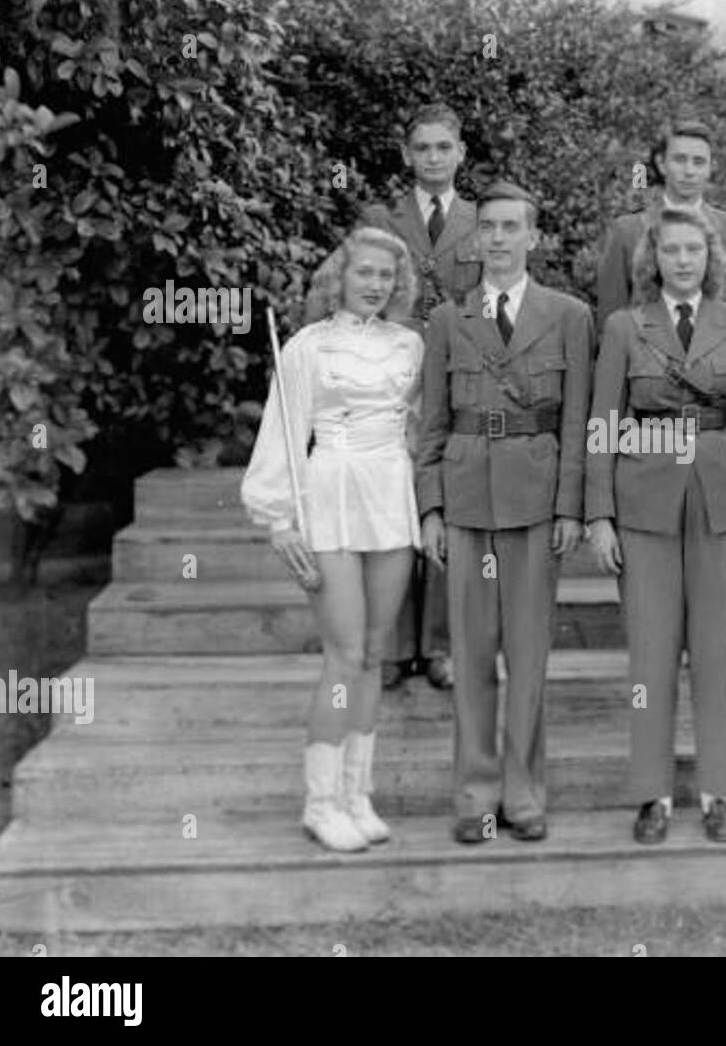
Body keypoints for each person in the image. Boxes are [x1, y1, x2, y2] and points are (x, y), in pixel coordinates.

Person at [586, 208, 726, 845]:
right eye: (670, 250)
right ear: (652, 259)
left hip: (724, 491)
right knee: (651, 652)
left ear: (713, 258)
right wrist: (599, 515)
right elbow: (603, 424)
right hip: (644, 499)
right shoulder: (623, 327)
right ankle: (655, 795)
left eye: (694, 249)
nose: (683, 260)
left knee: (716, 651)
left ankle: (718, 792)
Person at [417, 181, 594, 845]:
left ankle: (523, 791)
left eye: (510, 226)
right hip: (465, 502)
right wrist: (430, 507)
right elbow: (431, 424)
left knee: (528, 655)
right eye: (486, 227)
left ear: (533, 236)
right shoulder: (446, 320)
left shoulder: (569, 314)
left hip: (535, 500)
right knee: (471, 652)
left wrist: (572, 505)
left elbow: (577, 422)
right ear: (475, 237)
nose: (496, 238)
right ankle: (475, 793)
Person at [241, 226, 423, 852]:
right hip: (331, 495)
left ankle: (356, 794)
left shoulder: (410, 346)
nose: (375, 284)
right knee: (343, 654)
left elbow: (421, 430)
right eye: (364, 272)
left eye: (386, 276)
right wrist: (279, 520)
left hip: (390, 495)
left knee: (376, 652)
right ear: (339, 278)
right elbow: (283, 435)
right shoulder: (306, 348)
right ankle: (320, 803)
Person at [360, 103, 482, 692]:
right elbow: (363, 291)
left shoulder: (484, 221)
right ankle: (390, 644)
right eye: (423, 148)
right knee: (391, 505)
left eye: (444, 147)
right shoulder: (381, 217)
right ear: (406, 155)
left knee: (448, 504)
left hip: (457, 380)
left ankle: (440, 644)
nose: (434, 158)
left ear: (461, 154)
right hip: (392, 378)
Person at [594, 120, 726, 329]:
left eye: (699, 162)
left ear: (711, 168)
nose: (689, 171)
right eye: (679, 160)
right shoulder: (626, 231)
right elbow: (609, 321)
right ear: (661, 163)